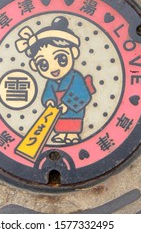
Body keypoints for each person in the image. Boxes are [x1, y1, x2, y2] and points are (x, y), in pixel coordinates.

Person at [15, 16, 94, 144]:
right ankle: (62, 134)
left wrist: (66, 104)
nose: (53, 68)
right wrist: (50, 102)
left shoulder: (75, 76)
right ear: (34, 66)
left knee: (72, 121)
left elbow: (81, 93)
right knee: (60, 123)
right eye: (44, 64)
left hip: (73, 108)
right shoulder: (51, 81)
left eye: (61, 58)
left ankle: (72, 136)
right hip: (59, 108)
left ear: (73, 52)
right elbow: (48, 93)